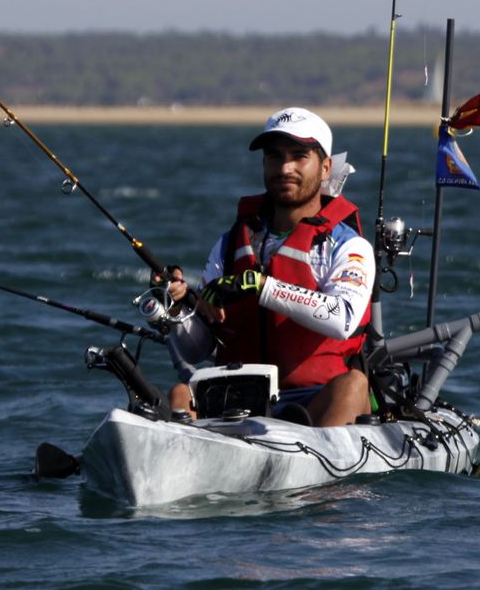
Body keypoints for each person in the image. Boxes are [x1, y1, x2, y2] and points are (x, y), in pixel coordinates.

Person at [155, 107, 375, 427]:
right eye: (274, 157)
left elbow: (343, 319)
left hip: (315, 400)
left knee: (353, 384)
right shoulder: (230, 245)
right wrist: (177, 308)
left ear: (325, 167)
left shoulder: (349, 247)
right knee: (180, 395)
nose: (285, 168)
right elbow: (196, 350)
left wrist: (262, 286)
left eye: (299, 156)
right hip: (236, 399)